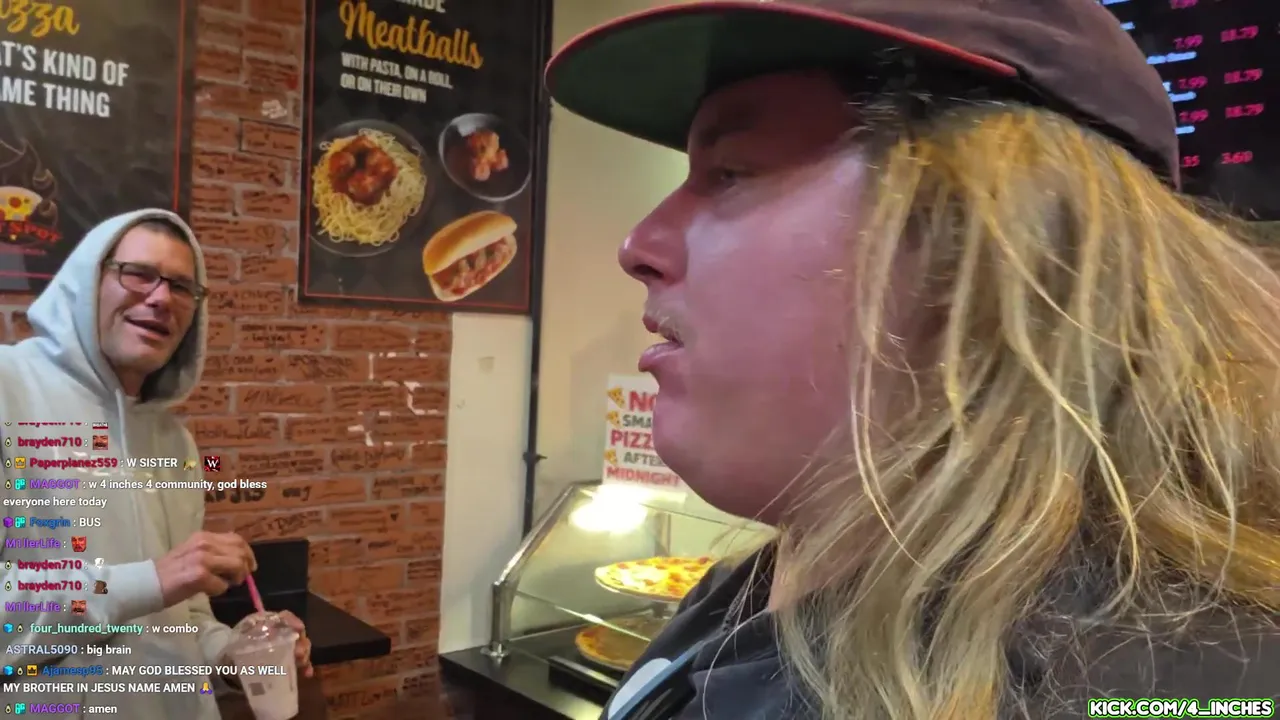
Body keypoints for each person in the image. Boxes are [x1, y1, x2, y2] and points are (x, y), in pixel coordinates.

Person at [546, 1, 1280, 718]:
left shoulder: (1177, 682)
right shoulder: (742, 597)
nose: (637, 246)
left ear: (998, 247)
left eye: (731, 171)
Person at [0, 209, 312, 718]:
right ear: (88, 280)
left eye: (182, 286)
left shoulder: (174, 442)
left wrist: (231, 653)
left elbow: (180, 615)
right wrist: (150, 580)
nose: (162, 298)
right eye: (138, 273)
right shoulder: (9, 390)